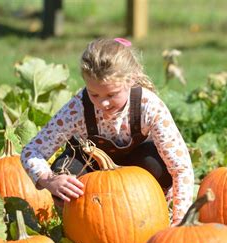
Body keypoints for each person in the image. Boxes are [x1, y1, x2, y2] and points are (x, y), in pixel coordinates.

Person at [20, 38, 194, 225]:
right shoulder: (78, 108)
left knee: (158, 166)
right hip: (91, 166)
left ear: (131, 80)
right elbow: (32, 151)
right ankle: (86, 225)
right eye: (94, 94)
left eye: (111, 95)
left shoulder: (149, 106)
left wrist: (180, 220)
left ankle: (152, 216)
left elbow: (181, 168)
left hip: (137, 169)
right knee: (66, 174)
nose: (103, 103)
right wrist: (49, 180)